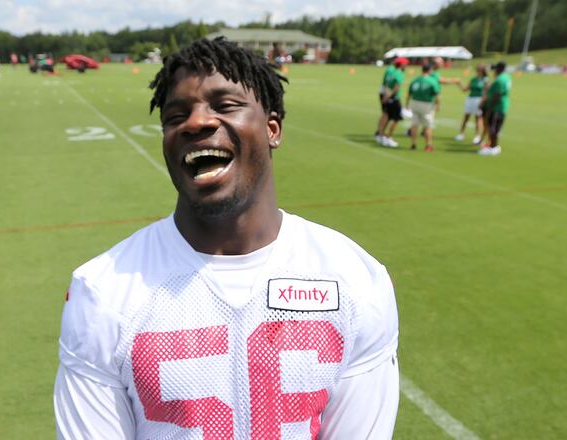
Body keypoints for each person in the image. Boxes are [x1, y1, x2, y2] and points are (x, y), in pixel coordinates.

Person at [54, 37, 400, 439]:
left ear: (272, 129)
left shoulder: (355, 280)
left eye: (225, 105)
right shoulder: (103, 291)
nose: (196, 122)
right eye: (175, 115)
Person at [478, 61, 511, 156]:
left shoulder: (500, 79)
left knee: (493, 128)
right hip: (501, 106)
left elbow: (497, 96)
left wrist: (489, 109)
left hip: (497, 107)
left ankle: (493, 147)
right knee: (495, 128)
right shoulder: (506, 77)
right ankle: (493, 146)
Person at [406, 63, 441, 152]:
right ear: (429, 70)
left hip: (414, 102)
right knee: (428, 126)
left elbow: (409, 93)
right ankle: (428, 145)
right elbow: (437, 95)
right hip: (426, 104)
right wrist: (438, 105)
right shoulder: (432, 81)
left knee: (414, 124)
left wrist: (407, 104)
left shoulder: (415, 80)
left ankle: (413, 143)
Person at [376, 57, 408, 148]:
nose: (406, 65)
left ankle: (381, 135)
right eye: (405, 64)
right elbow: (396, 87)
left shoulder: (392, 72)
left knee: (386, 115)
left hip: (387, 96)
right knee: (396, 118)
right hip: (393, 98)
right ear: (401, 64)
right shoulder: (399, 73)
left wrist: (386, 97)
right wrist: (388, 96)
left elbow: (386, 84)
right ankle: (389, 137)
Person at [455, 64, 488, 144]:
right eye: (477, 70)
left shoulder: (485, 80)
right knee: (466, 117)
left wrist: (483, 101)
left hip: (479, 99)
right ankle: (461, 134)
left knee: (478, 118)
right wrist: (459, 83)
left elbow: (486, 92)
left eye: (479, 69)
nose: (478, 71)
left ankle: (477, 136)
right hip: (470, 99)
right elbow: (465, 89)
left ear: (483, 71)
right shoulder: (473, 79)